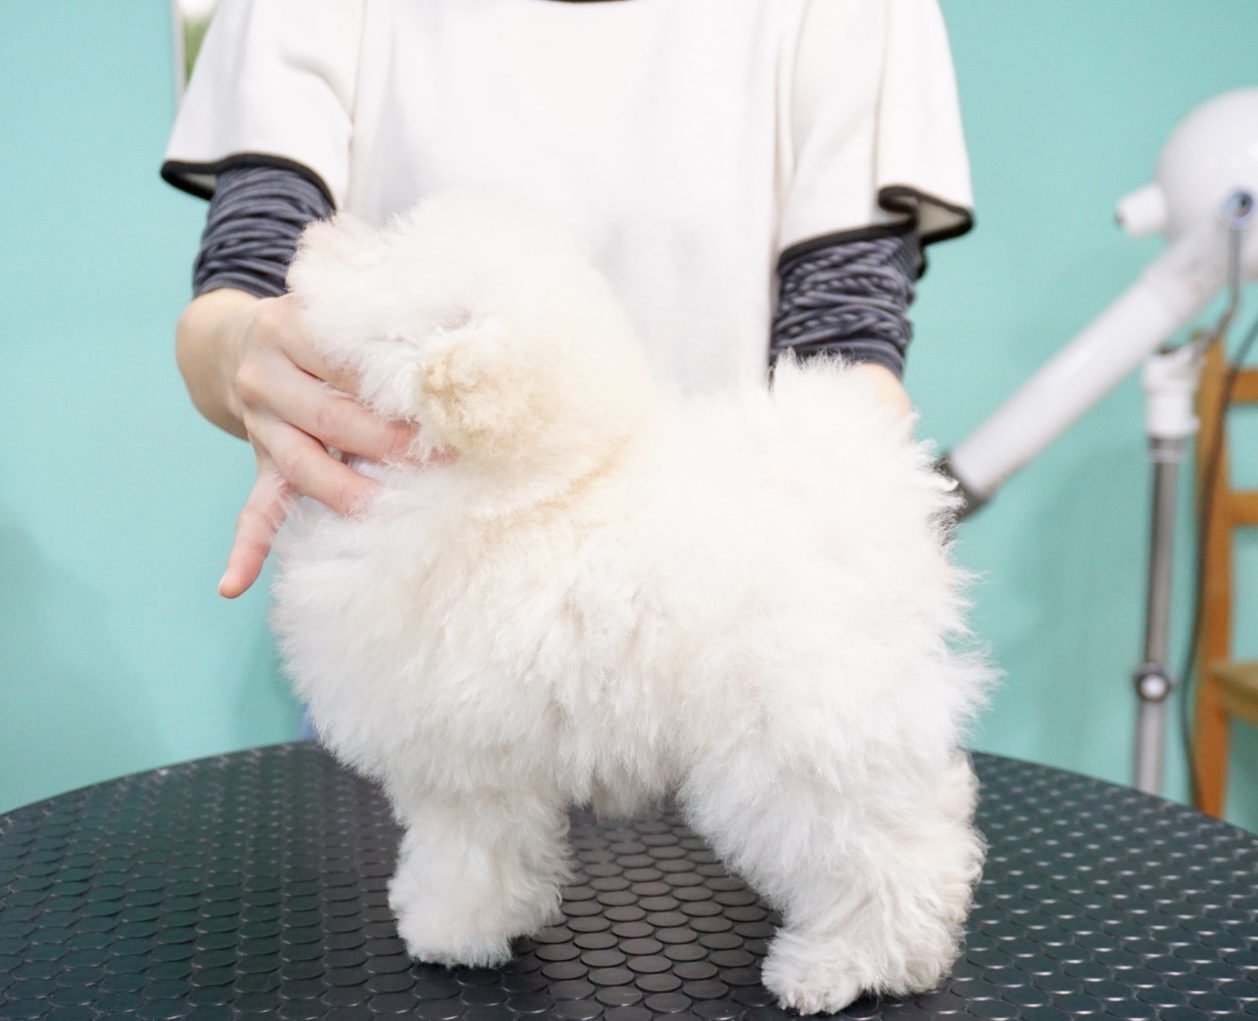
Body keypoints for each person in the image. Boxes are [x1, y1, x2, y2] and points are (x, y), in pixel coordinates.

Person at [164, 0, 973, 599]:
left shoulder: (851, 12)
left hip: (717, 610)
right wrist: (245, 351)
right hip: (417, 608)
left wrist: (872, 542)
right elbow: (241, 297)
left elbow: (842, 361)